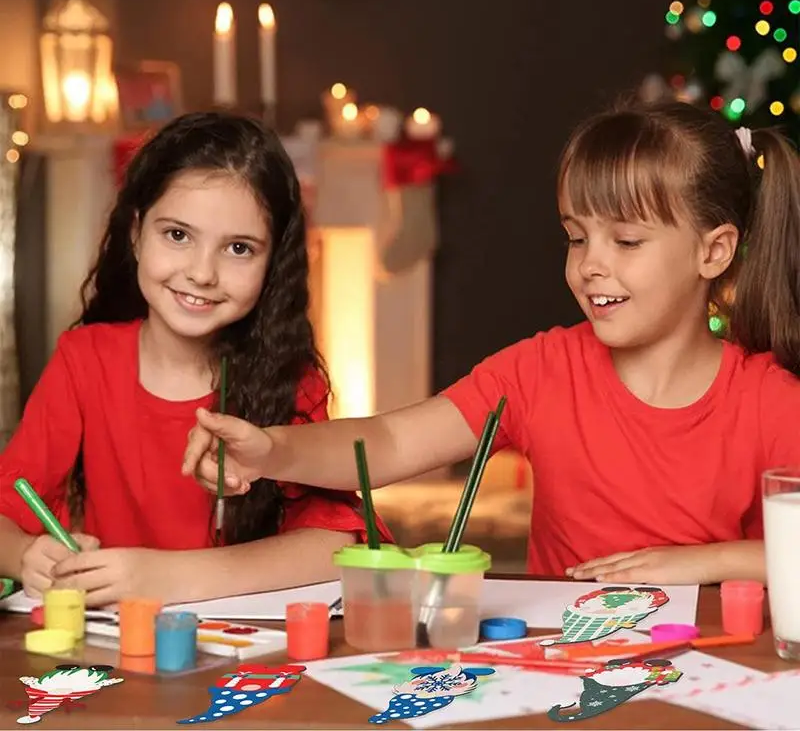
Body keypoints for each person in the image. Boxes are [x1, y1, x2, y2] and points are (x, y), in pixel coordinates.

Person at [182, 100, 800, 586]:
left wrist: (708, 561)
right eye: (576, 237)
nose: (590, 266)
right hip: (565, 663)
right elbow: (392, 441)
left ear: (712, 251)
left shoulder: (771, 401)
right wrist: (272, 449)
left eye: (627, 242)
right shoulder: (539, 371)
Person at [0, 111, 390, 607]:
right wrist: (26, 553)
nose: (202, 273)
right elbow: (6, 510)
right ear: (137, 233)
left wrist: (165, 576)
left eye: (239, 248)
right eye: (178, 235)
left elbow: (339, 543)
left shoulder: (289, 377)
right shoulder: (86, 360)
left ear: (272, 265)